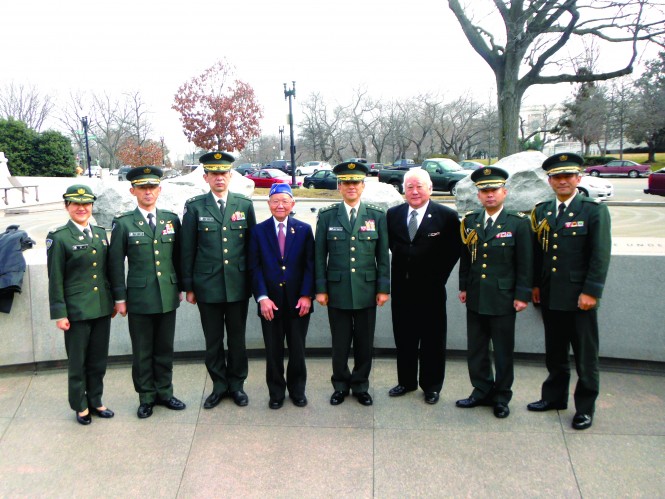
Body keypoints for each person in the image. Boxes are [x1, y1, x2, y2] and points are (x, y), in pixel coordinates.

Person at [527, 153, 611, 430]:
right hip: (550, 295)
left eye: (567, 176)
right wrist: (536, 285)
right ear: (549, 180)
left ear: (579, 178)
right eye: (556, 177)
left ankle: (585, 408)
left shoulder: (593, 210)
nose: (562, 181)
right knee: (555, 352)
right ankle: (554, 398)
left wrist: (591, 292)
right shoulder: (542, 211)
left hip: (579, 298)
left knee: (585, 356)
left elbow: (599, 256)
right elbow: (539, 254)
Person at [108, 166, 186, 419]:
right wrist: (119, 298)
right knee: (142, 351)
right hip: (139, 298)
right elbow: (115, 263)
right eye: (143, 188)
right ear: (133, 191)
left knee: (165, 348)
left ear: (159, 190)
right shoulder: (124, 223)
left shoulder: (170, 219)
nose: (148, 192)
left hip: (167, 295)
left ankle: (165, 392)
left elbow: (178, 256)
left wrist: (182, 287)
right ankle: (146, 397)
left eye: (152, 187)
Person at [181, 151, 256, 409]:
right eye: (214, 173)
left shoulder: (244, 205)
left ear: (231, 175)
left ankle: (237, 386)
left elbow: (251, 248)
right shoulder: (195, 206)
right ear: (206, 177)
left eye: (224, 173)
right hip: (207, 286)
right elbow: (187, 249)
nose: (219, 178)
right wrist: (189, 287)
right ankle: (218, 386)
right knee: (213, 341)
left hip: (237, 285)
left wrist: (253, 284)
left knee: (237, 340)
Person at [456, 167, 533, 418]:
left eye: (494, 190)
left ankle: (501, 397)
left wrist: (523, 295)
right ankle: (480, 390)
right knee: (476, 349)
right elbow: (467, 258)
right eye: (484, 191)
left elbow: (525, 263)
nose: (489, 195)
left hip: (503, 298)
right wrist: (464, 286)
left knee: (502, 351)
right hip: (476, 295)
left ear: (504, 192)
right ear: (478, 195)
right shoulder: (470, 222)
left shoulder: (518, 223)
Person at [314, 161, 390, 406]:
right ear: (339, 186)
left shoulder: (377, 215)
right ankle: (340, 385)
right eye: (346, 182)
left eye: (355, 182)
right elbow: (319, 256)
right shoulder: (327, 217)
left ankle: (360, 385)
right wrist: (321, 289)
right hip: (337, 291)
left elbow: (383, 256)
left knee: (364, 342)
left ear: (363, 185)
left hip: (367, 290)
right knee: (340, 342)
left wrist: (383, 288)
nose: (351, 187)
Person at [386, 168, 461, 405]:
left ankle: (431, 386)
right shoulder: (393, 214)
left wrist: (438, 276)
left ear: (430, 188)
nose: (415, 191)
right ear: (403, 190)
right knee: (404, 337)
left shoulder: (446, 216)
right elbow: (392, 246)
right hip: (402, 289)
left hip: (431, 290)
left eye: (419, 186)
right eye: (410, 187)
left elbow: (453, 251)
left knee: (432, 339)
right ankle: (406, 381)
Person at [46, 185, 115, 425]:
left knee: (98, 360)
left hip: (101, 308)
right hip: (75, 311)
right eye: (76, 204)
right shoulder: (59, 237)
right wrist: (59, 313)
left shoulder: (98, 233)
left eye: (86, 204)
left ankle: (96, 400)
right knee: (78, 362)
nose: (82, 208)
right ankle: (80, 405)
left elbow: (105, 271)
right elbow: (55, 279)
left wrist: (113, 301)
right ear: (67, 206)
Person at [248, 183, 315, 409]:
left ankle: (297, 391)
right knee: (273, 350)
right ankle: (276, 392)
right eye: (275, 201)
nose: (280, 205)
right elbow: (254, 267)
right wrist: (262, 297)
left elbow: (310, 266)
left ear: (293, 204)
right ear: (268, 204)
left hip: (299, 303)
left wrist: (307, 295)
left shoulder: (304, 230)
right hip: (271, 303)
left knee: (297, 350)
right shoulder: (258, 231)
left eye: (285, 201)